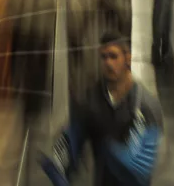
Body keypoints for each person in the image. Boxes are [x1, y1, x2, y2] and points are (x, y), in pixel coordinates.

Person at [41, 32, 163, 186]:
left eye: (113, 56)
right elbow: (72, 138)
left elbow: (141, 166)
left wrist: (115, 154)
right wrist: (59, 163)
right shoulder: (91, 100)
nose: (108, 63)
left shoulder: (144, 106)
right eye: (104, 57)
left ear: (128, 58)